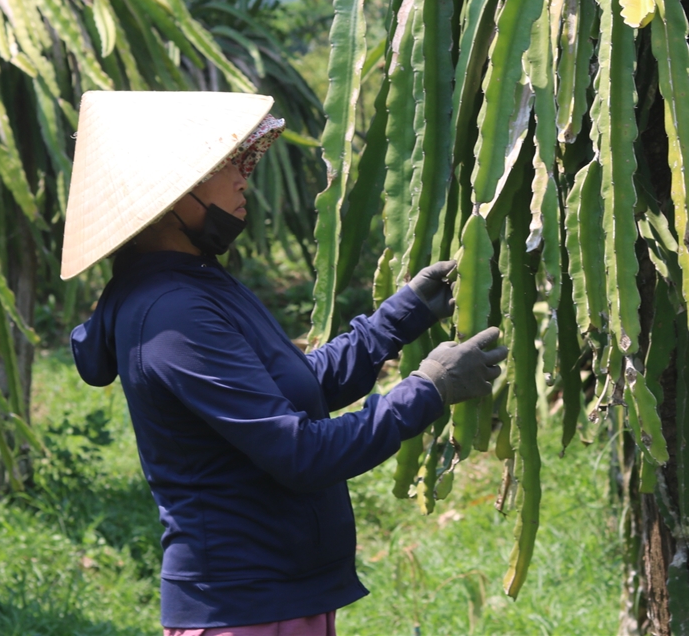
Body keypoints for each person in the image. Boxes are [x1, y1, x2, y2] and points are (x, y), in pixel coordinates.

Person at [61, 91, 505, 636]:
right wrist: (428, 390)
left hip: (276, 598)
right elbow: (300, 453)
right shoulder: (170, 315)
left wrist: (400, 317)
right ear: (175, 191)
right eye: (230, 165)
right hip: (244, 608)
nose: (245, 178)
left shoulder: (195, 285)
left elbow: (297, 389)